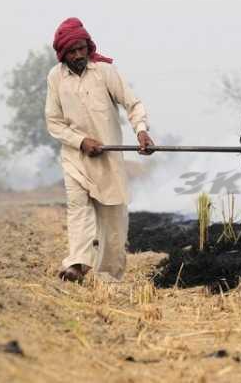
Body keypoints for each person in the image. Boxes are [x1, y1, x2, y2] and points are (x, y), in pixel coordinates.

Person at [45, 17, 154, 282]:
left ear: (88, 46)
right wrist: (81, 141)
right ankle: (77, 264)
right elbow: (54, 122)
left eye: (82, 48)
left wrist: (141, 131)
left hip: (108, 161)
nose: (79, 55)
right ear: (63, 54)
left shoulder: (105, 72)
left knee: (114, 222)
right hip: (76, 158)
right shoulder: (55, 78)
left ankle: (108, 277)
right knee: (78, 207)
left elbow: (133, 104)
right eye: (72, 51)